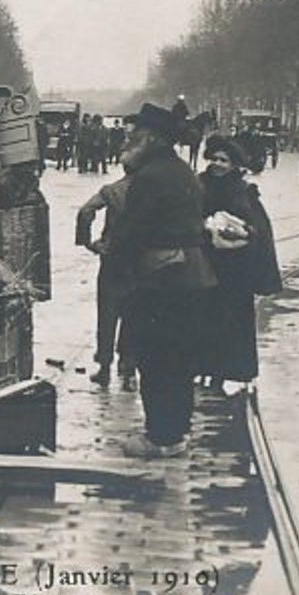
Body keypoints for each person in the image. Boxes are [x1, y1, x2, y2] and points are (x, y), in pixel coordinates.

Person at [103, 103, 217, 459]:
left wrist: (111, 255)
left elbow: (133, 230)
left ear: (150, 138)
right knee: (177, 359)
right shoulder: (181, 171)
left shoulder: (150, 177)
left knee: (155, 357)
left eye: (134, 134)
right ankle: (175, 431)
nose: (128, 139)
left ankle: (160, 437)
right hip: (191, 274)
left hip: (162, 278)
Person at [196, 135, 282, 393]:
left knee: (229, 322)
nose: (218, 164)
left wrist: (243, 232)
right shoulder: (198, 186)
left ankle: (222, 372)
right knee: (201, 318)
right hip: (204, 262)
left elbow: (259, 228)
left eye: (224, 160)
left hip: (234, 269)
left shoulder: (243, 192)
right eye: (214, 159)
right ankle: (200, 367)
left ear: (234, 164)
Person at [76, 165, 134, 390]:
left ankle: (104, 367)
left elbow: (86, 211)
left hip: (112, 259)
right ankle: (128, 368)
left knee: (107, 313)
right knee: (134, 314)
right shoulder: (152, 191)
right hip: (140, 261)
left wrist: (88, 242)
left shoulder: (112, 190)